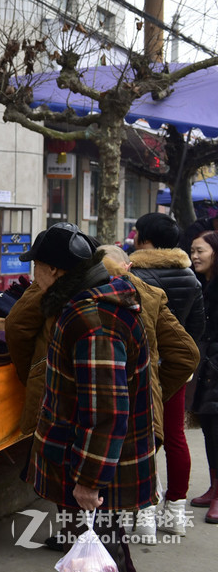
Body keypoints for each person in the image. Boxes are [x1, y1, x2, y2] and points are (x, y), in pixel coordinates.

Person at [22, 223, 155, 572]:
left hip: (93, 465)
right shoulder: (90, 302)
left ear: (53, 269)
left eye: (35, 266)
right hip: (89, 458)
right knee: (96, 555)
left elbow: (105, 410)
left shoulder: (92, 319)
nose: (33, 275)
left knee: (103, 556)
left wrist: (89, 479)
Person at [129, 212, 205, 535]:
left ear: (144, 239)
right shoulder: (190, 276)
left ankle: (144, 513)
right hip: (176, 370)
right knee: (175, 435)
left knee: (142, 438)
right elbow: (197, 328)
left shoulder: (134, 275)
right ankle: (175, 511)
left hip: (142, 369)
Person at [188, 230, 218, 525]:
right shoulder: (202, 285)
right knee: (209, 427)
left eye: (200, 251)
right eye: (193, 251)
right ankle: (213, 487)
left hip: (216, 365)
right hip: (207, 365)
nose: (195, 256)